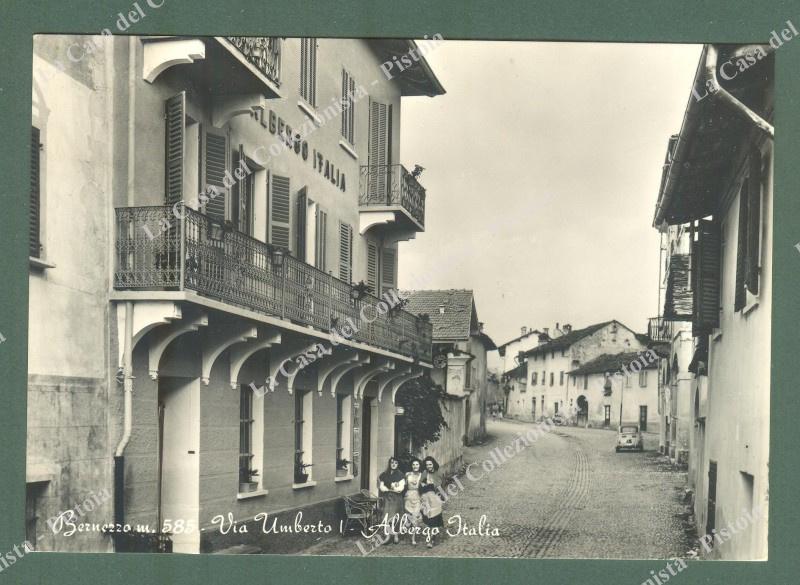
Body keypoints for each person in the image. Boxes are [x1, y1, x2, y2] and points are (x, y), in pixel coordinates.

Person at [377, 456, 406, 544]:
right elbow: (381, 487)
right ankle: (388, 536)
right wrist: (392, 486)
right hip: (387, 498)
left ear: (398, 464)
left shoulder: (401, 475)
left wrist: (390, 487)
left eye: (396, 463)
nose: (393, 464)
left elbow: (400, 488)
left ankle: (396, 535)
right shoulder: (384, 475)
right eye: (392, 463)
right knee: (386, 517)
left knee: (396, 517)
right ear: (389, 464)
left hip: (397, 498)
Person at [419, 456, 444, 548]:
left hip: (436, 500)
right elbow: (420, 486)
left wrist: (442, 497)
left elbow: (441, 486)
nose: (429, 466)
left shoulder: (439, 473)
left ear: (433, 464)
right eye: (427, 465)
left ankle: (431, 539)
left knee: (434, 520)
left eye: (430, 464)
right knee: (429, 521)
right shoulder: (425, 473)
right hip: (427, 500)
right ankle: (431, 536)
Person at [403, 458, 424, 545]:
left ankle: (413, 538)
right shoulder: (407, 474)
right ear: (411, 466)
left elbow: (424, 487)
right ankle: (408, 531)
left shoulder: (422, 475)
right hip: (408, 496)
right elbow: (403, 486)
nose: (415, 466)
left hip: (417, 496)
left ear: (419, 466)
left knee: (415, 517)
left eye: (417, 464)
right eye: (413, 465)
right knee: (409, 516)